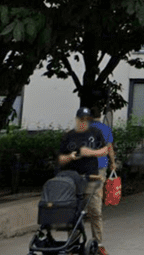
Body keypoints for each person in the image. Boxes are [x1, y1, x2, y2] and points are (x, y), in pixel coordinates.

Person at [58, 107, 108, 255]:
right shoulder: (68, 136)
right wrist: (70, 157)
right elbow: (61, 159)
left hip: (91, 178)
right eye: (82, 119)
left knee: (95, 211)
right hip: (72, 180)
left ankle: (98, 244)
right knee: (73, 213)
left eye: (87, 120)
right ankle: (73, 245)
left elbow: (104, 150)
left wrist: (90, 152)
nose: (84, 122)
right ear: (77, 119)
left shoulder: (95, 133)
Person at [90, 108, 116, 255]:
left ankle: (73, 244)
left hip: (83, 169)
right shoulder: (104, 128)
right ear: (100, 115)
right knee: (96, 203)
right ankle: (98, 243)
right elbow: (109, 147)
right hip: (99, 168)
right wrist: (113, 162)